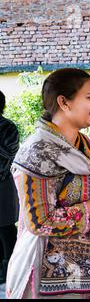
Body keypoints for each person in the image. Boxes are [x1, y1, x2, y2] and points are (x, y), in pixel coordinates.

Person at [6, 68, 90, 299]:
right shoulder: (39, 151)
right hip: (50, 278)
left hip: (81, 273)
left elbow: (72, 193)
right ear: (64, 102)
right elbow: (39, 222)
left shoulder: (80, 144)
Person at [0, 90, 20, 285]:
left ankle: (10, 268)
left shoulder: (8, 128)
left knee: (6, 228)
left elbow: (8, 153)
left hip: (3, 184)